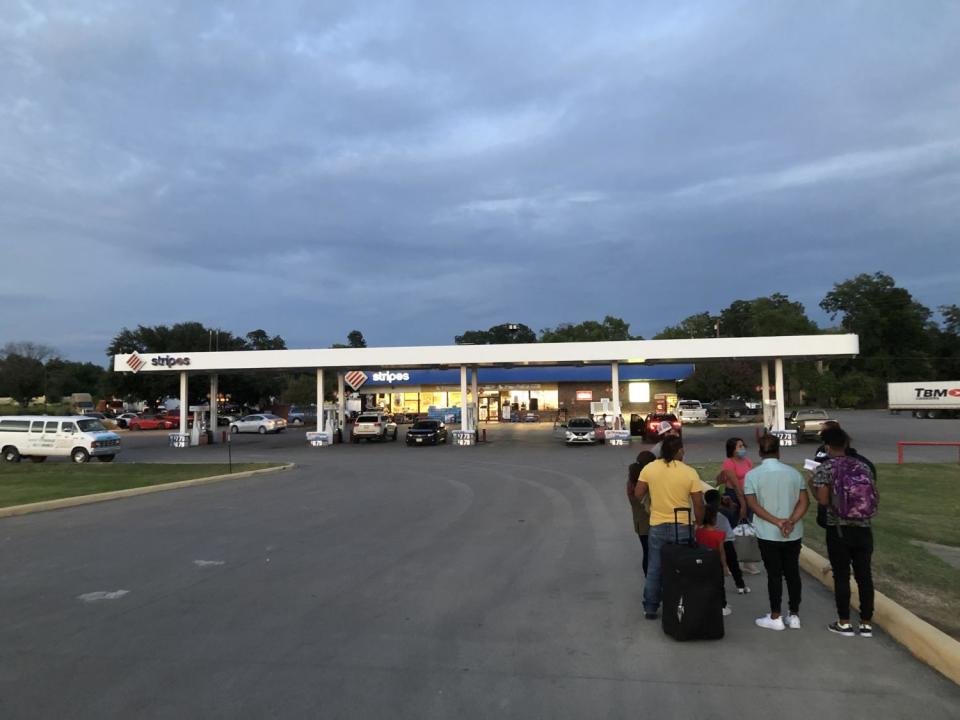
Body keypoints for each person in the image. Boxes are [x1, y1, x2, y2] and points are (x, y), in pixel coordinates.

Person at [811, 426, 878, 638]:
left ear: (828, 446)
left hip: (838, 529)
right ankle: (866, 623)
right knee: (864, 576)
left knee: (842, 577)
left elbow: (823, 500)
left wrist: (812, 483)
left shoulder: (826, 468)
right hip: (864, 528)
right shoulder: (863, 467)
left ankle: (844, 622)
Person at [634, 435, 705, 620]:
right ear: (679, 451)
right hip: (682, 524)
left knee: (655, 567)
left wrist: (649, 503)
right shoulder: (689, 472)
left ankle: (650, 607)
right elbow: (698, 502)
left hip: (657, 524)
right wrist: (699, 521)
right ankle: (680, 602)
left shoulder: (650, 468)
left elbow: (638, 493)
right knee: (681, 567)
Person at [744, 433, 809, 631]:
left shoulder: (752, 475)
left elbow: (753, 505)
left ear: (760, 452)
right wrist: (790, 521)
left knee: (774, 574)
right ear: (778, 451)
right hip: (793, 532)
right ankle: (794, 614)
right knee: (792, 573)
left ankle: (775, 616)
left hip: (768, 533)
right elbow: (804, 502)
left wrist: (777, 521)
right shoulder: (793, 473)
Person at [704, 489, 748, 595]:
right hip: (726, 540)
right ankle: (740, 586)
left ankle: (716, 587)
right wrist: (730, 503)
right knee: (733, 564)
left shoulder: (705, 510)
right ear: (719, 500)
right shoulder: (724, 511)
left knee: (715, 566)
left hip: (711, 540)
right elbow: (734, 517)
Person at [695, 504, 733, 616]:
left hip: (702, 563)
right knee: (719, 585)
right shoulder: (720, 535)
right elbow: (721, 552)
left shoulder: (698, 533)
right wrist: (725, 566)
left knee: (703, 584)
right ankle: (722, 606)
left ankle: (704, 604)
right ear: (714, 519)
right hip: (716, 564)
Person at [626, 451, 657, 575]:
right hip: (648, 522)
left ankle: (648, 577)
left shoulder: (632, 481)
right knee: (651, 553)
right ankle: (650, 578)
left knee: (647, 551)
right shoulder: (643, 484)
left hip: (640, 523)